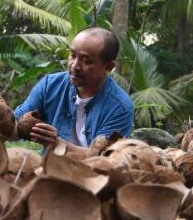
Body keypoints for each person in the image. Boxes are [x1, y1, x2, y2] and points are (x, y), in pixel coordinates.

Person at [12, 26, 134, 154]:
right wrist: (3, 120)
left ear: (108, 66)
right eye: (72, 55)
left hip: (92, 173)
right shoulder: (50, 85)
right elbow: (16, 129)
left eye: (86, 61)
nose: (75, 65)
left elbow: (105, 158)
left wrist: (58, 144)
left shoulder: (120, 107)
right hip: (47, 171)